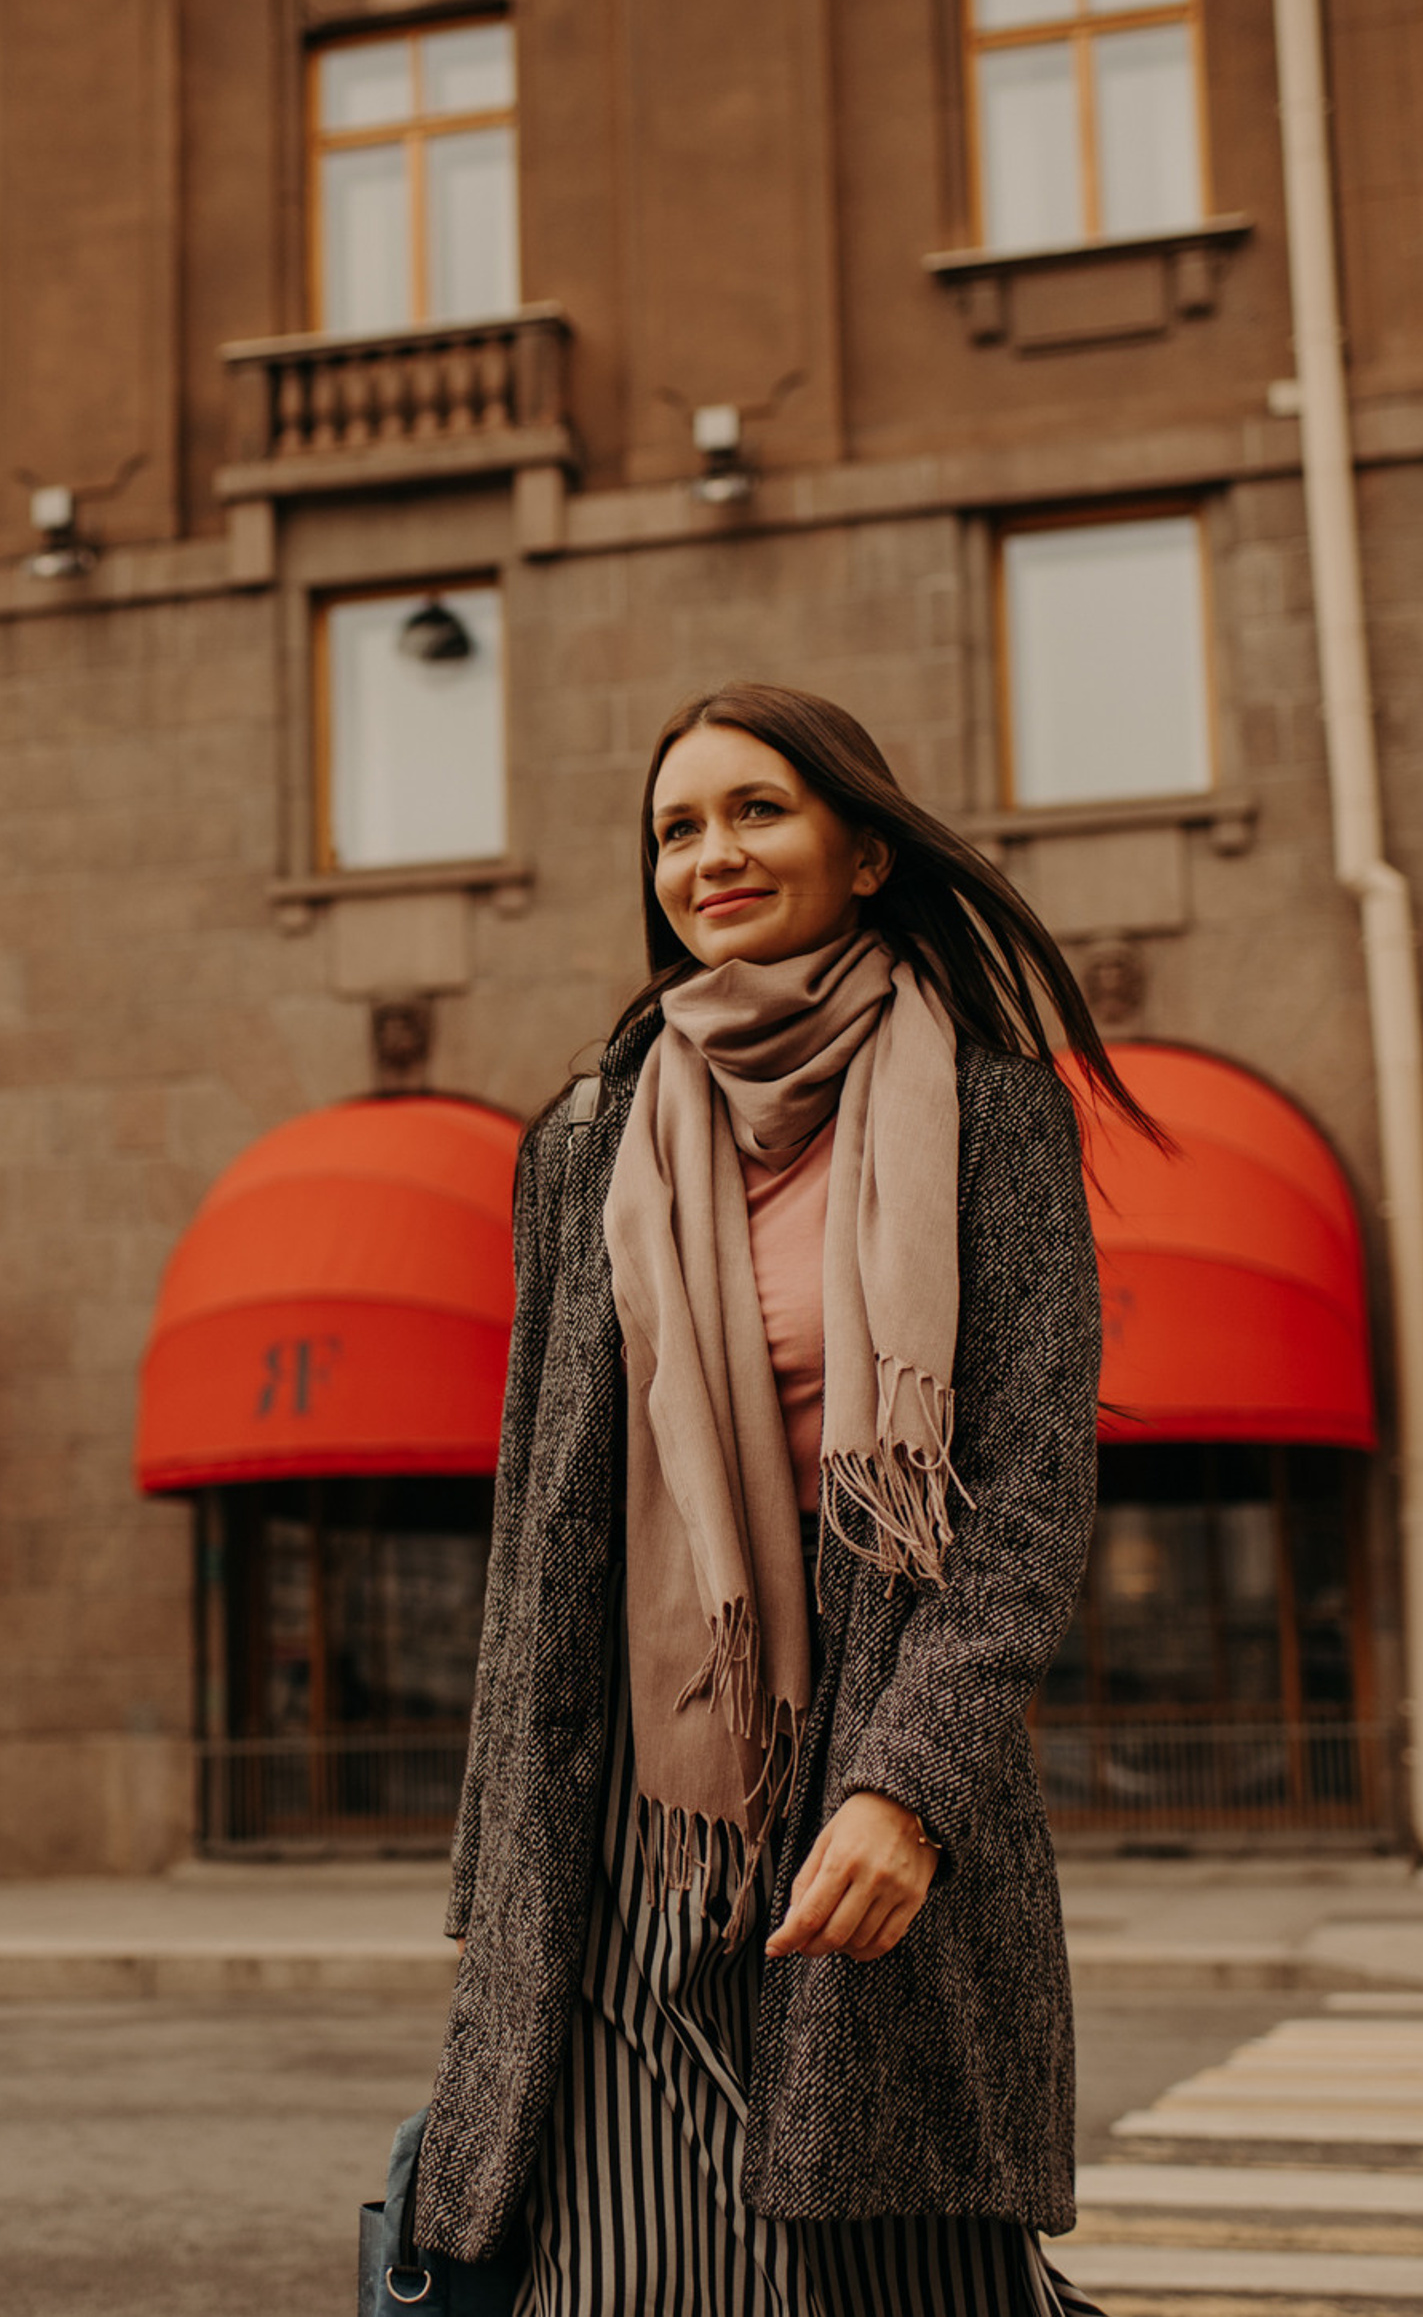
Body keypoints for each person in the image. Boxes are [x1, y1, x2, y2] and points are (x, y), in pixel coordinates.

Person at [414, 683, 1149, 2316]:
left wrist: (910, 1789)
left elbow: (1025, 1500)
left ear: (866, 850)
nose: (710, 855)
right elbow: (540, 1526)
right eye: (677, 828)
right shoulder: (591, 1136)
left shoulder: (993, 1111)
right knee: (620, 2284)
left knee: (895, 2281)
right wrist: (499, 1873)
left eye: (758, 810)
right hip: (632, 1835)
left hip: (877, 1805)